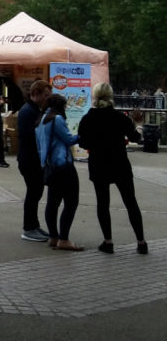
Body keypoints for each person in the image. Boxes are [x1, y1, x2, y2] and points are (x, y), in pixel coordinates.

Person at [77, 82, 148, 254]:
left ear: (94, 96)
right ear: (111, 96)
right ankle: (141, 242)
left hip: (98, 164)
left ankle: (108, 242)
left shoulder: (87, 119)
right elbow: (136, 138)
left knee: (103, 203)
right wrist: (139, 123)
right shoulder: (120, 117)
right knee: (130, 202)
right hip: (120, 163)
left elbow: (83, 143)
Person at [36, 94, 83, 251]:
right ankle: (64, 239)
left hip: (49, 166)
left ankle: (53, 236)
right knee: (71, 201)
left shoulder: (42, 119)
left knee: (52, 202)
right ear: (60, 106)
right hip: (63, 164)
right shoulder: (57, 119)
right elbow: (69, 140)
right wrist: (81, 135)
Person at [17, 80, 52, 242]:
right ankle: (29, 228)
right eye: (46, 95)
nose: (47, 99)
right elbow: (32, 137)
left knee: (36, 192)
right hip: (29, 159)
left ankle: (33, 225)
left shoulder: (32, 109)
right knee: (33, 192)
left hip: (30, 159)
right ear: (36, 94)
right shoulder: (29, 111)